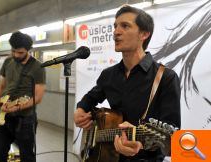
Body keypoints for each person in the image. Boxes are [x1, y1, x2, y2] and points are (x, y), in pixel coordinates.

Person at [74, 5, 181, 162]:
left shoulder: (166, 77)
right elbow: (90, 97)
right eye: (115, 26)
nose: (116, 32)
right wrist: (80, 109)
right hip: (108, 156)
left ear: (144, 34)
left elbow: (173, 134)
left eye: (125, 26)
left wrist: (140, 143)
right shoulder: (108, 74)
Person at [0, 31, 45, 162]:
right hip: (2, 115)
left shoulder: (37, 67)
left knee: (27, 156)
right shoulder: (8, 61)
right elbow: (1, 86)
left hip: (24, 119)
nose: (15, 55)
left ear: (28, 50)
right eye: (13, 51)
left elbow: (38, 97)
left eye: (20, 53)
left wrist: (16, 108)